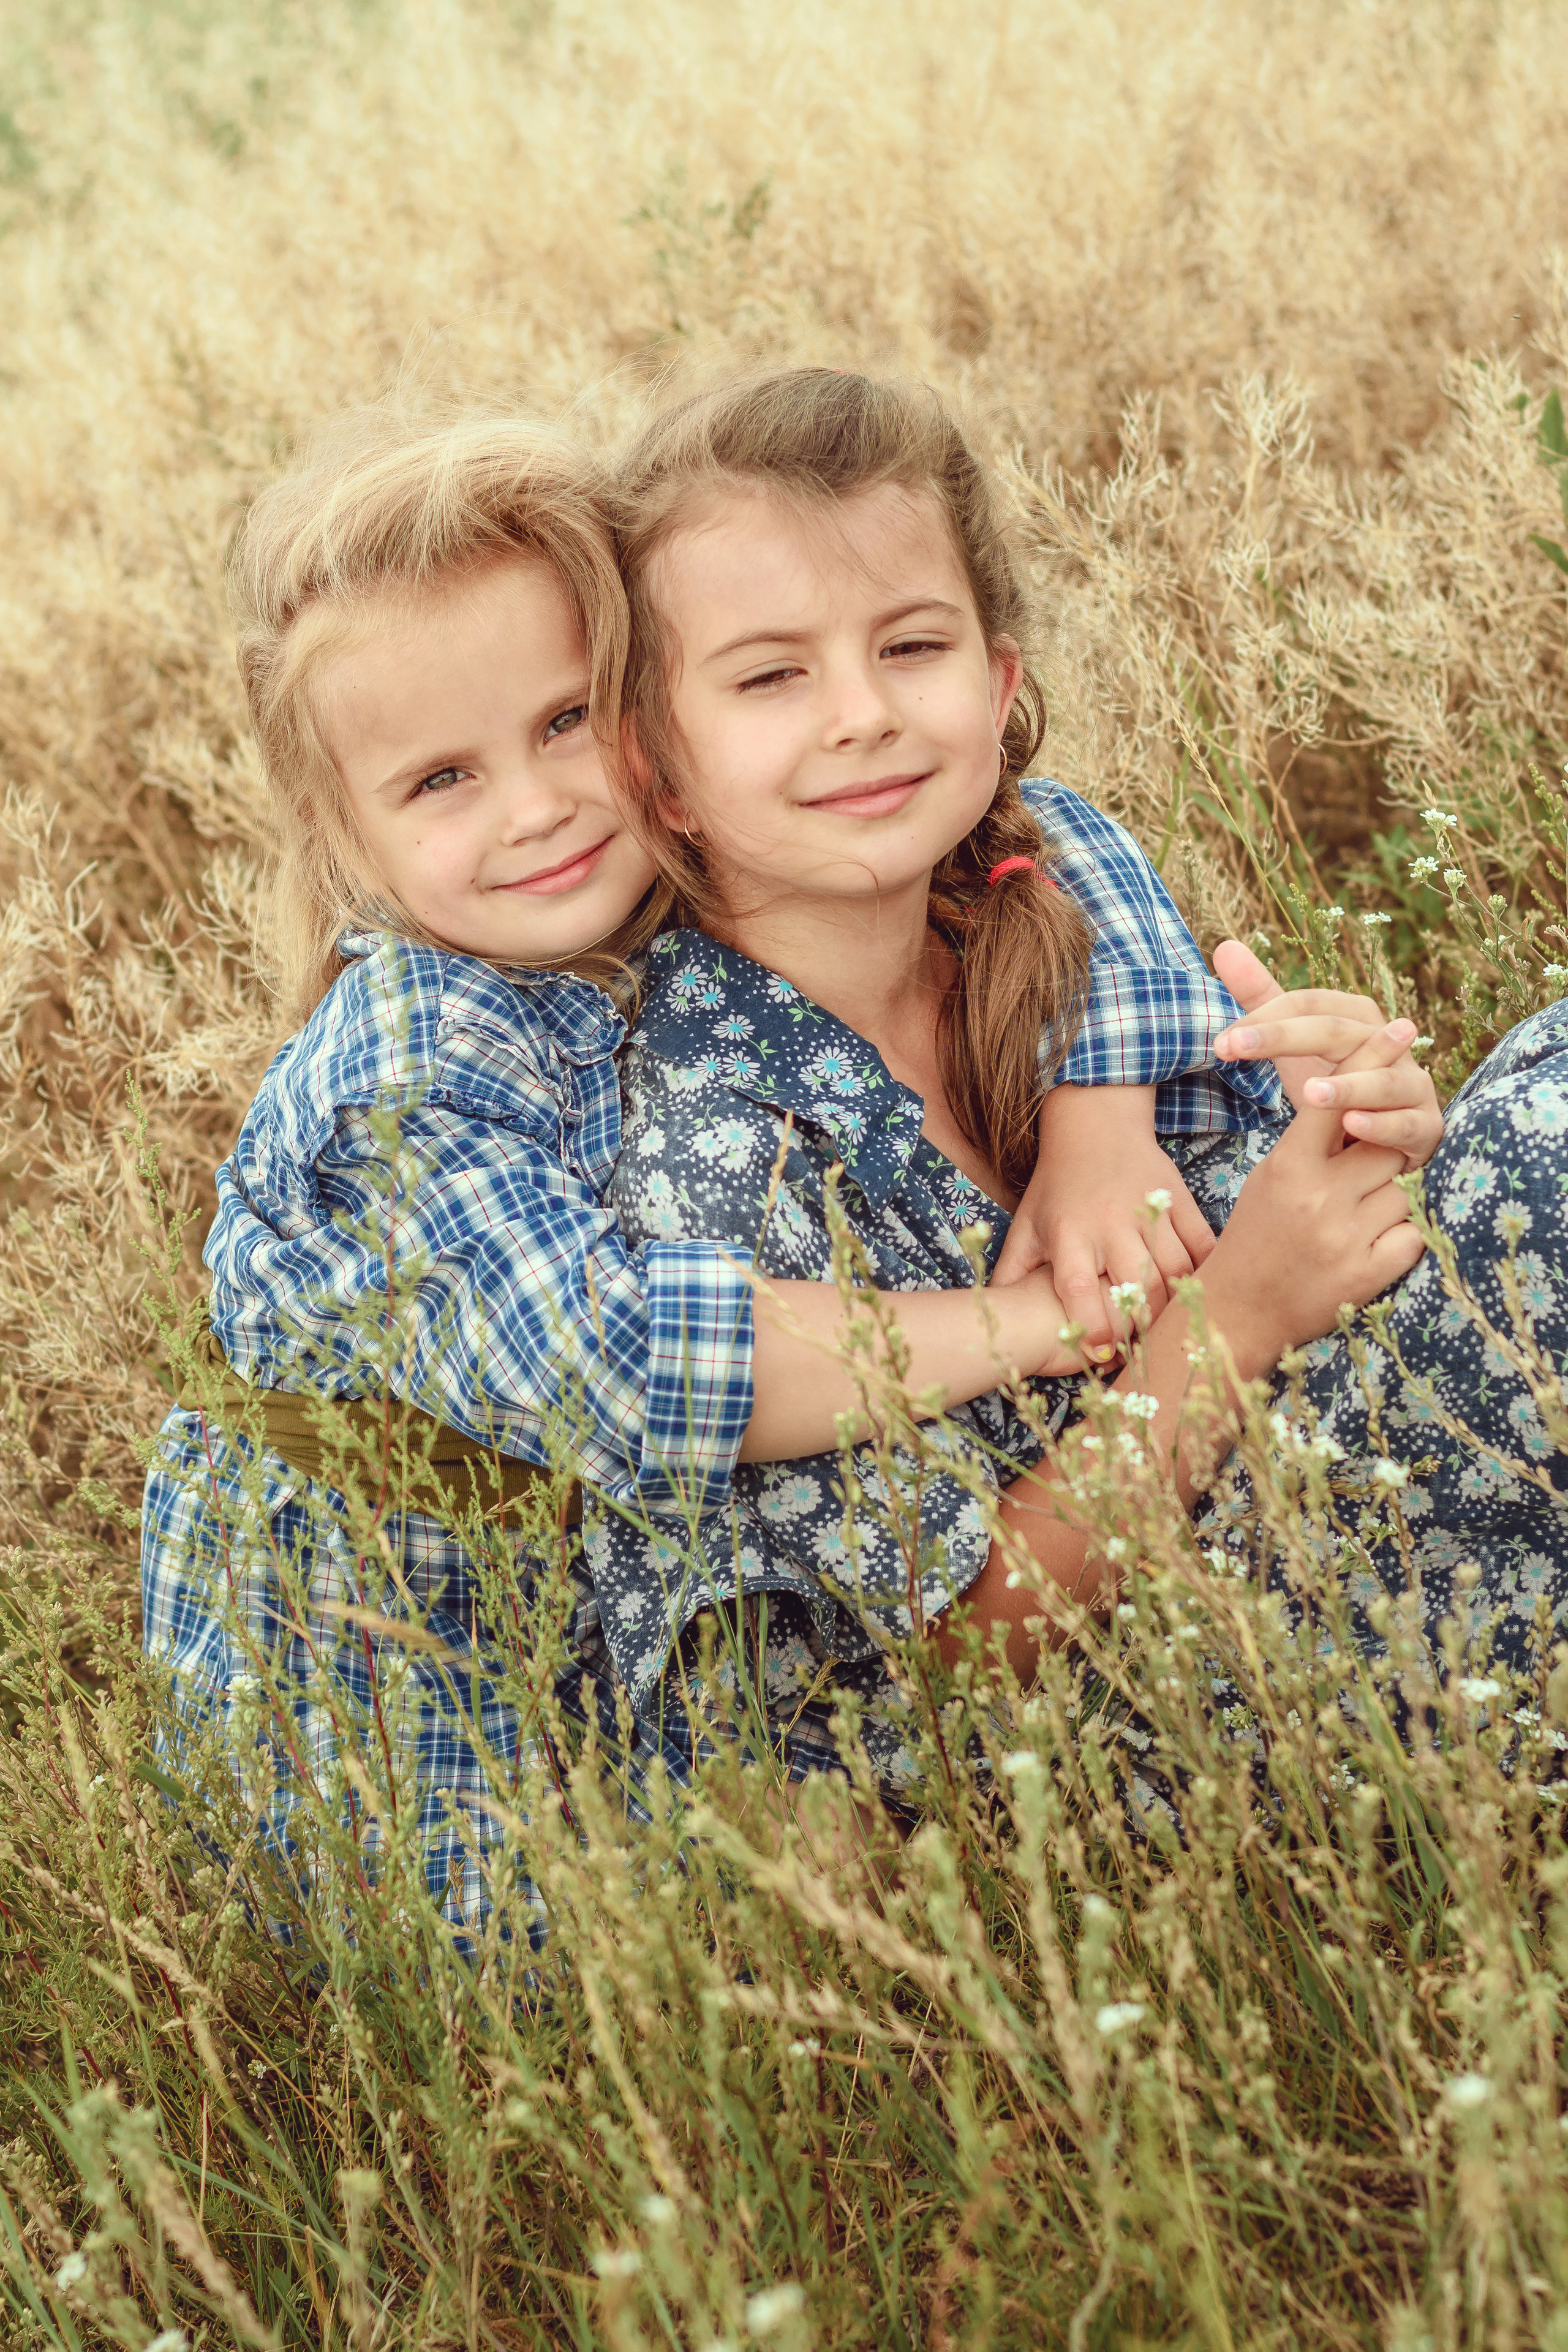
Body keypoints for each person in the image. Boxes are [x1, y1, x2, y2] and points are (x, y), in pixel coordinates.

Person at [139, 405, 1274, 1939]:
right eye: (438, 782)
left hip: (582, 1611)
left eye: (560, 724)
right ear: (344, 841)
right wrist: (1049, 1325)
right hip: (401, 1703)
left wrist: (1099, 1118)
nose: (536, 808)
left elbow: (1050, 843)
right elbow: (622, 1367)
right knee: (617, 1977)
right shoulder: (404, 1062)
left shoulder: (627, 923)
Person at [589, 366, 1455, 1805]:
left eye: (909, 646)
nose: (860, 713)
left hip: (1357, 1494)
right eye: (768, 675)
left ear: (996, 689)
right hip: (1167, 1709)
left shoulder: (1048, 935)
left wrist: (1354, 1129)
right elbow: (926, 1683)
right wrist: (1230, 1318)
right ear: (657, 768)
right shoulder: (699, 1149)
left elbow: (1322, 1225)